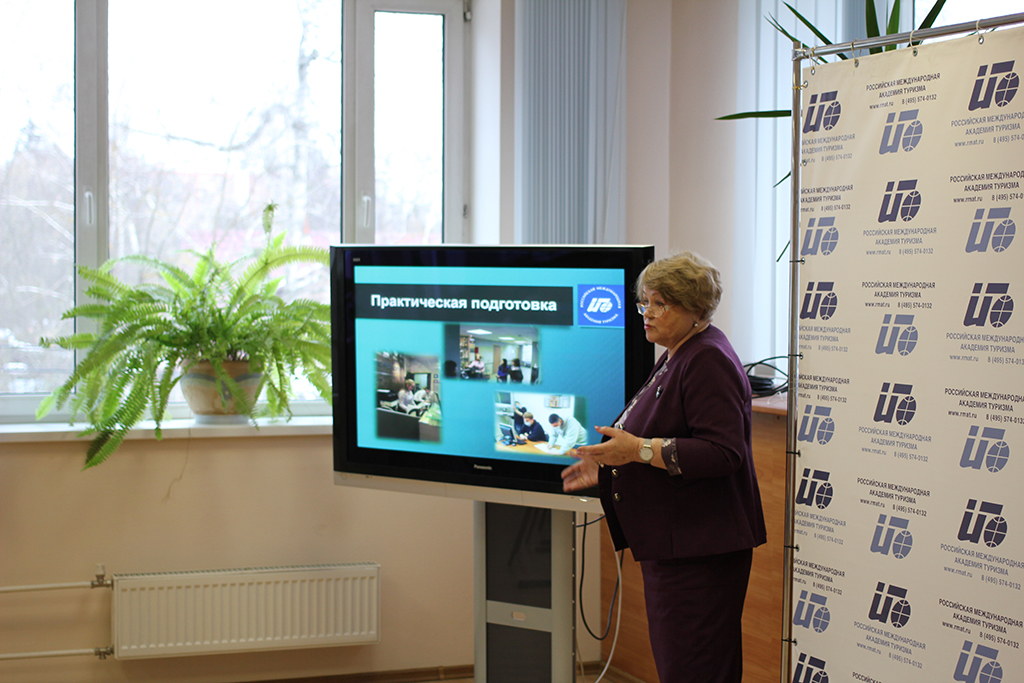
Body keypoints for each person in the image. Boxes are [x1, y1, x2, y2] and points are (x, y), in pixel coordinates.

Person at [560, 251, 766, 683]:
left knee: (695, 668)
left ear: (695, 307)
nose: (647, 314)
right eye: (645, 303)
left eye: (660, 304)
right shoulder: (680, 351)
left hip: (701, 553)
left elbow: (723, 452)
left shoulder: (707, 359)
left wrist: (636, 451)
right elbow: (662, 433)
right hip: (678, 546)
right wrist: (611, 465)